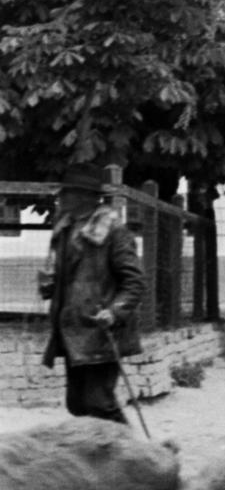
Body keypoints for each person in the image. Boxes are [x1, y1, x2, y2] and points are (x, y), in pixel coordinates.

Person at [38, 162, 144, 423]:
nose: (61, 199)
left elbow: (135, 281)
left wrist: (115, 311)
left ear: (86, 197)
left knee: (99, 402)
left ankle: (129, 458)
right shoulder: (63, 230)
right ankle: (97, 458)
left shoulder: (113, 231)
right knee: (77, 404)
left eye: (68, 193)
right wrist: (49, 284)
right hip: (72, 329)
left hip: (101, 330)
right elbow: (64, 278)